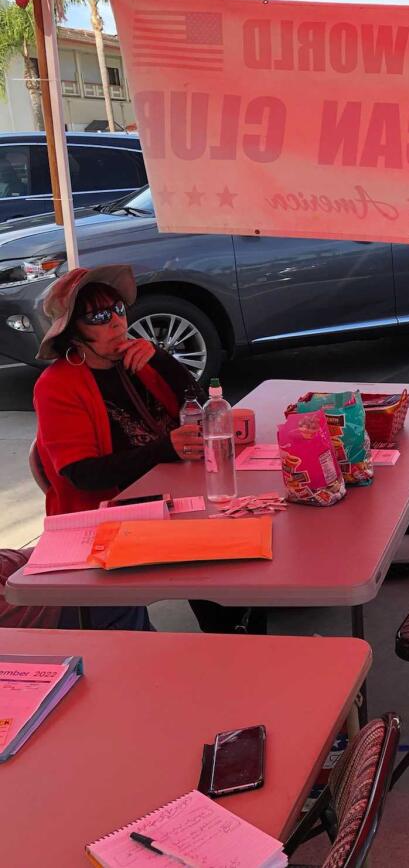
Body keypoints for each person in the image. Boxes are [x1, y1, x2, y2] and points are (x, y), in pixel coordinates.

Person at [32, 265, 261, 634]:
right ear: (73, 333)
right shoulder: (56, 386)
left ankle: (240, 630)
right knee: (213, 552)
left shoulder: (134, 360)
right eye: (99, 317)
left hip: (173, 492)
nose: (117, 324)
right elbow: (82, 474)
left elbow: (202, 408)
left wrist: (161, 359)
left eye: (119, 310)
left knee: (242, 529)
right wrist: (163, 449)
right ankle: (232, 636)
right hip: (110, 515)